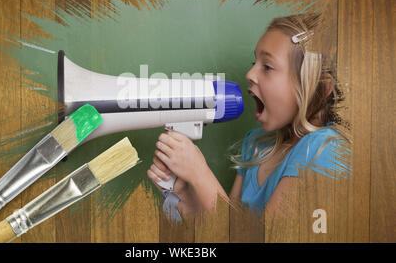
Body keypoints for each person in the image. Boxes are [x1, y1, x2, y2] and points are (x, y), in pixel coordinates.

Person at [147, 13, 351, 219]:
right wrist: (185, 195)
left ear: (318, 87)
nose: (250, 74)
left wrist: (200, 174)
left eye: (268, 67)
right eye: (254, 62)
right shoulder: (256, 145)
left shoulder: (323, 151)